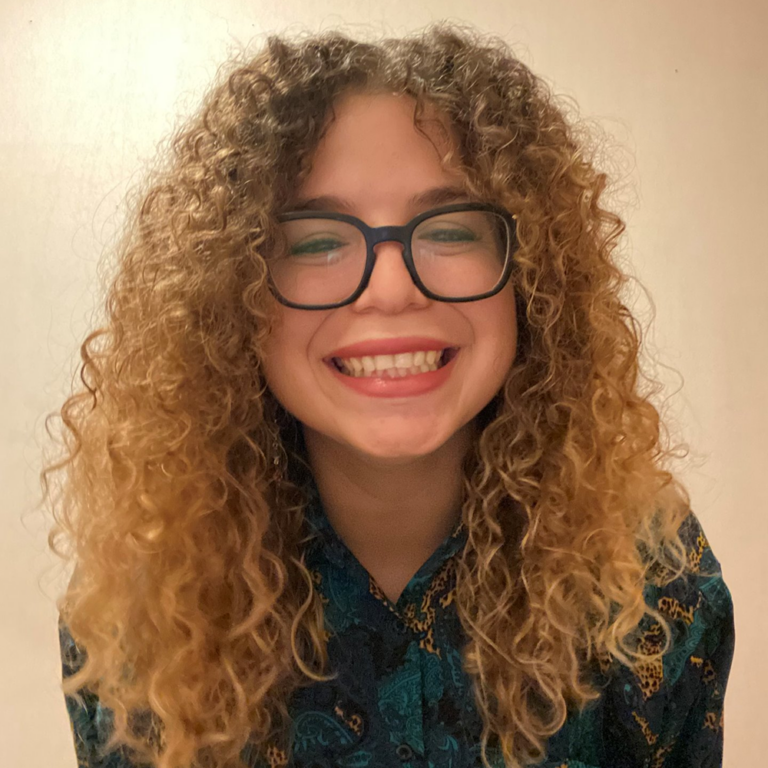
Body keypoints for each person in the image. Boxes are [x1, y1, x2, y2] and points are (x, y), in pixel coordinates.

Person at [46, 22, 735, 768]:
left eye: (451, 229)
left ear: (535, 279)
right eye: (315, 241)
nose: (392, 288)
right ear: (227, 299)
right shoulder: (139, 619)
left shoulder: (656, 591)